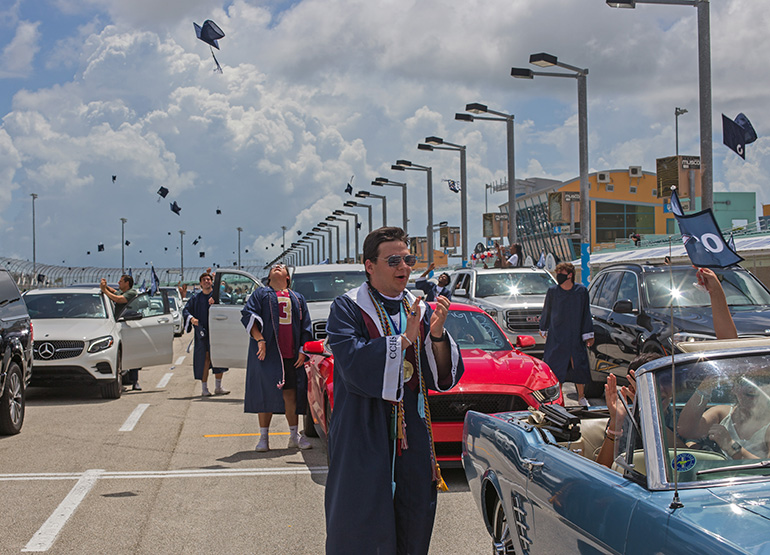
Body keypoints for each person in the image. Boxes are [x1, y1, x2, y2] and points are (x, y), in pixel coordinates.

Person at [324, 226, 464, 555]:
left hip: (412, 432)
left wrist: (437, 334)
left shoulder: (418, 308)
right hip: (364, 426)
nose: (404, 267)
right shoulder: (347, 308)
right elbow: (353, 364)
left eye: (408, 259)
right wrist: (403, 339)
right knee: (361, 518)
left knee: (413, 513)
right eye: (394, 260)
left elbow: (442, 376)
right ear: (369, 265)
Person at [240, 263, 313, 451]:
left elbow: (306, 325)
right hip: (269, 354)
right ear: (270, 277)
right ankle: (263, 438)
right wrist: (260, 339)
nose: (277, 267)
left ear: (287, 277)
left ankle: (294, 435)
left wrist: (302, 350)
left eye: (281, 267)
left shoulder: (298, 298)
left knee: (291, 395)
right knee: (266, 394)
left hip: (290, 354)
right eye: (274, 267)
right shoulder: (261, 294)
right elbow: (248, 315)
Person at [539, 262, 594, 407]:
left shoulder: (581, 291)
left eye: (561, 274)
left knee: (578, 365)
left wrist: (588, 334)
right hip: (557, 334)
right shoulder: (553, 292)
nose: (558, 276)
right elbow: (547, 311)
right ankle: (558, 399)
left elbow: (586, 314)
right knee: (556, 366)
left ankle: (581, 397)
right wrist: (543, 327)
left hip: (575, 334)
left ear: (570, 275)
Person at [183, 272, 230, 397]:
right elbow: (186, 311)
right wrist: (192, 319)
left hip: (218, 331)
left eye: (208, 279)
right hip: (203, 333)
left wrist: (216, 302)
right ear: (200, 284)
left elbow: (229, 304)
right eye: (204, 280)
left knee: (218, 358)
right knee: (205, 359)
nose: (206, 281)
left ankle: (218, 387)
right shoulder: (196, 299)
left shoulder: (218, 296)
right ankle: (204, 388)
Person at [101, 275, 141, 390]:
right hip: (119, 326)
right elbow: (115, 292)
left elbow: (118, 299)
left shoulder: (131, 293)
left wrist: (104, 290)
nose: (118, 282)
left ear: (127, 283)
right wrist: (106, 286)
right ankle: (121, 380)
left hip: (129, 325)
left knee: (132, 354)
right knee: (120, 354)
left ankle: (135, 381)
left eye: (121, 281)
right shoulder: (122, 292)